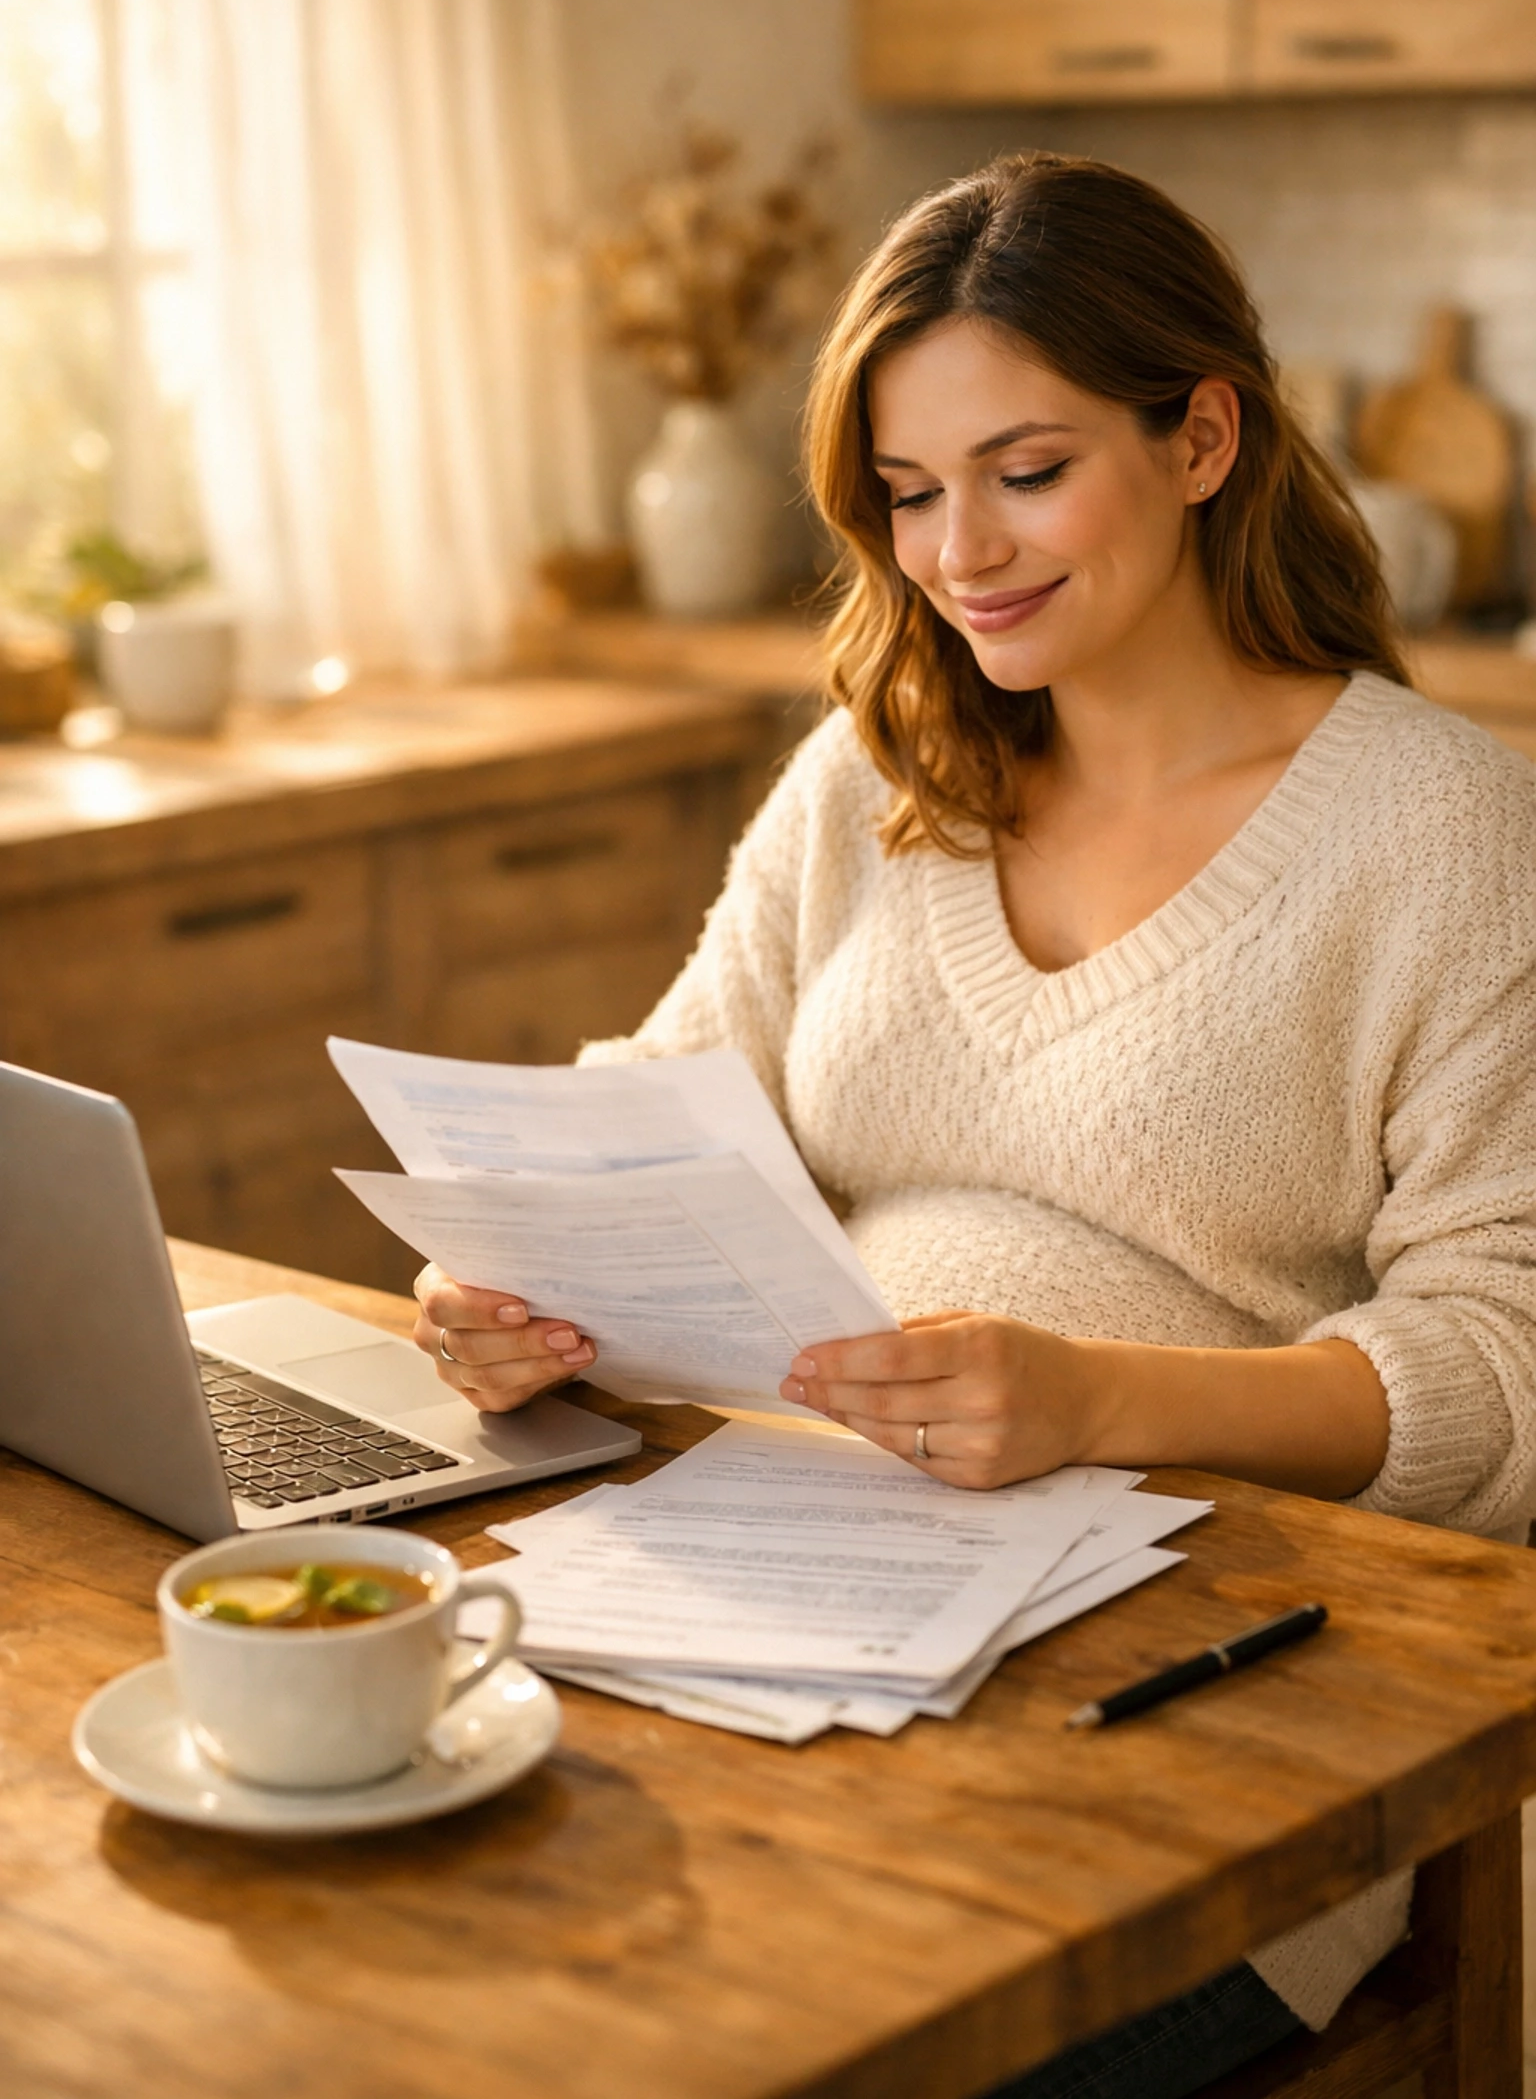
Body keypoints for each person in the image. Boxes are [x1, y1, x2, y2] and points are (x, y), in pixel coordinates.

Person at [411, 152, 1536, 2098]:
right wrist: (507, 1265)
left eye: (1026, 470)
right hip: (801, 1616)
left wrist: (1098, 1399)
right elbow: (660, 1104)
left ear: (1202, 438)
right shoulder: (874, 773)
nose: (961, 555)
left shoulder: (1443, 828)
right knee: (461, 1975)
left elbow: (1511, 1369)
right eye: (911, 496)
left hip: (1217, 1701)